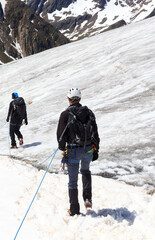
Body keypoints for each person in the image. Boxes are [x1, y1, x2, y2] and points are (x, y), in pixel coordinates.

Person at [56, 88, 100, 216]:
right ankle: (87, 199)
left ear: (69, 99)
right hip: (88, 149)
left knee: (72, 181)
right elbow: (95, 133)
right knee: (86, 171)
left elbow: (60, 135)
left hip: (73, 150)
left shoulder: (65, 114)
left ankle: (74, 209)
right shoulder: (89, 112)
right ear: (80, 99)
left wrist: (62, 147)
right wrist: (96, 150)